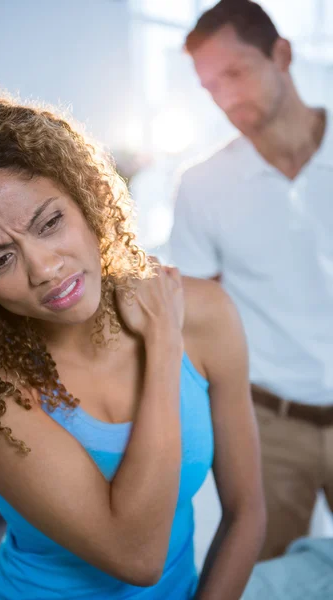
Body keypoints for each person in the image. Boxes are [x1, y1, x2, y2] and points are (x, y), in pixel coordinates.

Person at [0, 87, 264, 600]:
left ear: (83, 193)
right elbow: (137, 555)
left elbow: (246, 513)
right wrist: (161, 343)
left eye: (50, 223)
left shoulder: (205, 313)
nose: (44, 268)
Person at [168, 0, 333, 562]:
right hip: (269, 426)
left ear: (281, 54)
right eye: (211, 86)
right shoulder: (201, 186)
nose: (226, 97)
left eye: (236, 72)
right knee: (262, 574)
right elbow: (193, 319)